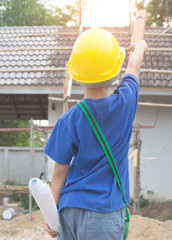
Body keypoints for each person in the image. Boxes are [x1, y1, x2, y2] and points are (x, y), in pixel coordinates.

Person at [44, 27, 148, 240]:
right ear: (115, 67)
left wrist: (50, 213)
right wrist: (140, 47)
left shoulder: (68, 119)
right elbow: (133, 68)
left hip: (69, 208)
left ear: (75, 71)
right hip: (103, 212)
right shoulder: (125, 104)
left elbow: (58, 173)